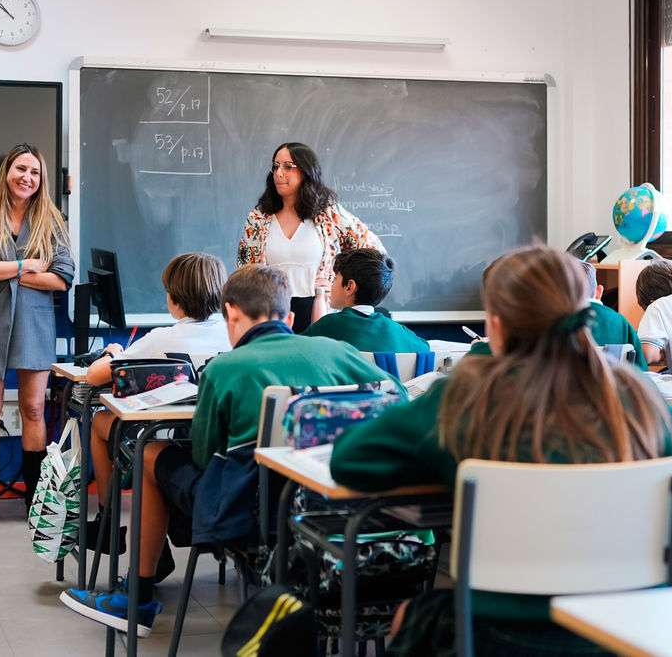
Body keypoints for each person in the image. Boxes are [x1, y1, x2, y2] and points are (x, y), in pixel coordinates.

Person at [329, 245, 672, 656]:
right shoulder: (634, 396)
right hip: (631, 631)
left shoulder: (463, 397)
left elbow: (349, 460)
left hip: (495, 635)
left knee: (412, 617)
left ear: (497, 326)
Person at [60, 265, 391, 636]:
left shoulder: (226, 368)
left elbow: (204, 454)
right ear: (290, 318)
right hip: (333, 508)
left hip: (246, 513)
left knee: (149, 450)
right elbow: (395, 397)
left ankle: (135, 600)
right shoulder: (338, 352)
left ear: (231, 312)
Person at [83, 252, 231, 558]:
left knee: (99, 421)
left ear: (174, 300)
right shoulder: (233, 334)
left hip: (167, 443)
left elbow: (94, 375)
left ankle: (108, 522)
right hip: (218, 446)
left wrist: (111, 353)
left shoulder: (161, 339)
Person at [0, 144, 74, 527]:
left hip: (35, 324)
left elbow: (62, 278)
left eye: (35, 172)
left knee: (34, 408)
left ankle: (34, 502)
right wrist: (27, 265)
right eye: (20, 169)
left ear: (41, 179)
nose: (27, 177)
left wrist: (5, 270)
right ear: (7, 172)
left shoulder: (53, 221)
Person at [237, 142, 384, 333]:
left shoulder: (328, 215)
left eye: (287, 166)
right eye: (275, 166)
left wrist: (338, 282)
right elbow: (244, 273)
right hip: (271, 312)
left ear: (306, 171)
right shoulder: (258, 219)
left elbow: (374, 249)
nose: (278, 173)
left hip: (319, 311)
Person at [302, 248, 429, 354]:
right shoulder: (399, 332)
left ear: (349, 287)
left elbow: (296, 347)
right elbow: (425, 348)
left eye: (335, 279)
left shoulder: (327, 325)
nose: (331, 285)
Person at [577, 259, 648, 371]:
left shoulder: (554, 320)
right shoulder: (621, 322)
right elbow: (642, 371)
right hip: (611, 381)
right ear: (599, 292)